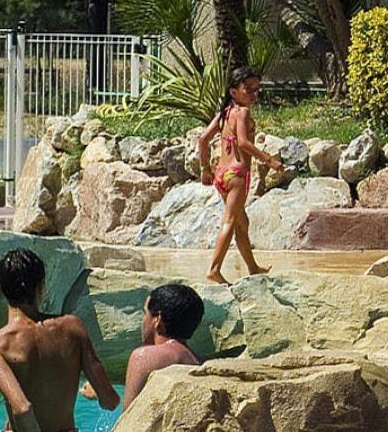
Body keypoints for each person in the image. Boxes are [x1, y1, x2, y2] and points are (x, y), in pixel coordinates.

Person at [0, 248, 118, 432]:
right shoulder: (73, 327)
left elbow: (22, 409)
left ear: (0, 288)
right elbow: (110, 401)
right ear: (42, 285)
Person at [199, 66, 286, 285]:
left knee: (242, 223)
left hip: (221, 175)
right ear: (233, 91)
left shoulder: (224, 113)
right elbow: (244, 143)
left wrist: (205, 169)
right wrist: (269, 160)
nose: (254, 94)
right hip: (237, 175)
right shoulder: (242, 113)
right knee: (230, 221)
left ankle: (253, 267)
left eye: (257, 89)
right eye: (248, 89)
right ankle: (214, 269)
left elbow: (203, 139)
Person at [122, 282, 205, 409]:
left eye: (145, 313)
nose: (143, 321)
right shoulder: (201, 363)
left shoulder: (143, 356)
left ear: (158, 320)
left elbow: (128, 416)